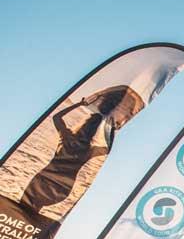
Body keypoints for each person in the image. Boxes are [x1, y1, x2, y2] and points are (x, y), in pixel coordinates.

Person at [20, 86, 144, 214]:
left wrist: (79, 104)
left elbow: (56, 118)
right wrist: (110, 129)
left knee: (23, 207)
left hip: (46, 180)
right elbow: (106, 150)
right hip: (63, 189)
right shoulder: (89, 151)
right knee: (33, 213)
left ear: (83, 124)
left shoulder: (68, 138)